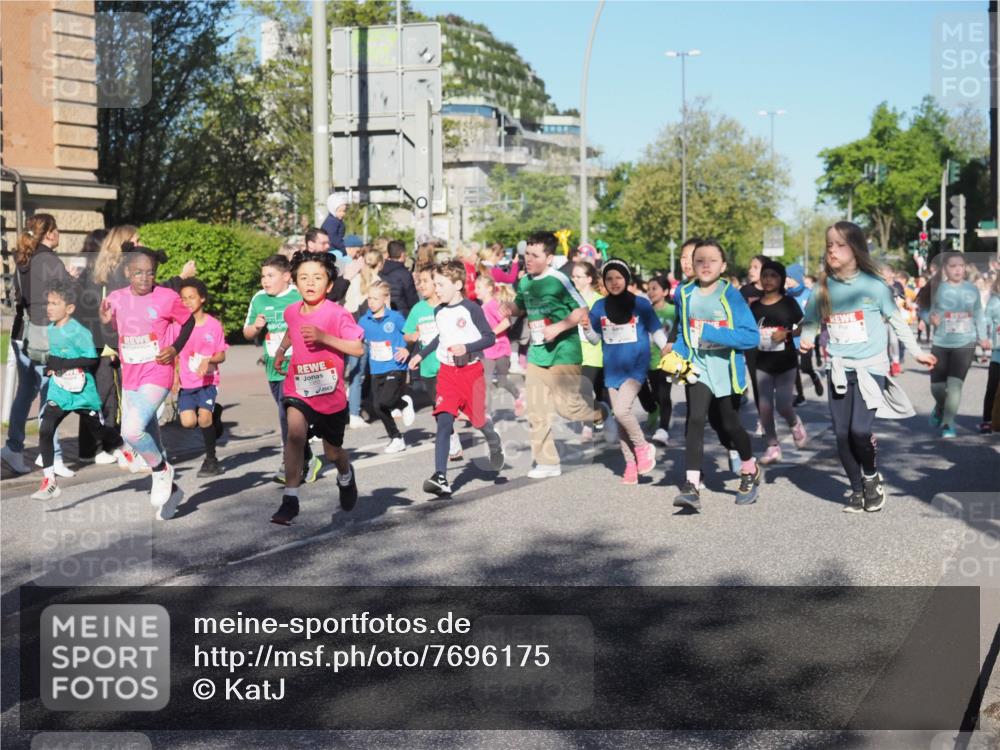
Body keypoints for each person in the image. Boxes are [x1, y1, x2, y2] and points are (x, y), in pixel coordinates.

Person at [800, 222, 936, 513]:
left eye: (840, 245)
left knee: (859, 431)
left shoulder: (874, 286)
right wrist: (807, 339)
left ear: (856, 249)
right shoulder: (823, 287)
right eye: (829, 245)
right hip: (838, 369)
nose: (833, 250)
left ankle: (871, 476)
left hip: (870, 368)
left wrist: (917, 352)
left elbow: (897, 322)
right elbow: (811, 319)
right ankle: (857, 488)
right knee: (840, 434)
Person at [501, 232, 609, 479]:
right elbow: (521, 306)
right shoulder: (526, 281)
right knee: (536, 411)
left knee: (568, 409)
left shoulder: (559, 280)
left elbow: (581, 309)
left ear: (549, 258)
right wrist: (510, 309)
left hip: (564, 352)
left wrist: (557, 328)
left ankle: (600, 412)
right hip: (539, 354)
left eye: (535, 255)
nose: (528, 259)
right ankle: (548, 463)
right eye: (526, 254)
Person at [270, 252, 365, 525]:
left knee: (333, 453)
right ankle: (290, 499)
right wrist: (281, 350)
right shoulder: (291, 310)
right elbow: (292, 329)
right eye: (304, 277)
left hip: (330, 396)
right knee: (295, 436)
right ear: (295, 283)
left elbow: (357, 348)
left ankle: (346, 476)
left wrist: (324, 337)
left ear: (329, 284)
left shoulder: (338, 314)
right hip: (298, 388)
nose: (310, 283)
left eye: (317, 277)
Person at [100, 248, 194, 520]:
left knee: (130, 431)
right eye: (138, 272)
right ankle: (173, 491)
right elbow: (109, 339)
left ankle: (161, 470)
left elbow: (187, 323)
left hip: (158, 371)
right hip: (131, 376)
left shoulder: (167, 297)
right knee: (150, 435)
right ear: (128, 273)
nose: (144, 278)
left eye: (150, 273)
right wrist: (106, 325)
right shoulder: (116, 299)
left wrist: (175, 349)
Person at [671, 239, 763, 511]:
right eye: (700, 260)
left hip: (726, 370)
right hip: (697, 369)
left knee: (730, 425)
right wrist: (675, 356)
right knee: (696, 420)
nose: (705, 265)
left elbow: (750, 336)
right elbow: (683, 333)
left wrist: (711, 333)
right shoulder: (684, 293)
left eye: (712, 260)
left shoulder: (730, 295)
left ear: (723, 266)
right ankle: (690, 485)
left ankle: (749, 468)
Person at [408, 260, 505, 496]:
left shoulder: (471, 309)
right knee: (444, 421)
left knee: (479, 421)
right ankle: (440, 476)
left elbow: (489, 338)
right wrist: (420, 354)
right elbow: (440, 338)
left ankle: (493, 440)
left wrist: (468, 347)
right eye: (435, 284)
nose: (436, 289)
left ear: (458, 285)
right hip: (447, 373)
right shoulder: (437, 311)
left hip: (471, 373)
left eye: (441, 284)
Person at [32, 281, 126, 500]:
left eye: (55, 304)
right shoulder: (50, 329)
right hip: (60, 390)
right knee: (46, 427)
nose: (49, 307)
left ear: (70, 308)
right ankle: (50, 481)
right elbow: (55, 356)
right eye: (48, 303)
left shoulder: (78, 331)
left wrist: (62, 364)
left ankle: (122, 445)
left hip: (83, 391)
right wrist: (50, 367)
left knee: (99, 431)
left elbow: (91, 358)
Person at [581, 259, 668, 485]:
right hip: (612, 369)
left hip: (636, 367)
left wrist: (668, 351)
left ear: (627, 279)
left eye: (618, 277)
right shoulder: (599, 307)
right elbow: (594, 340)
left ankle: (642, 446)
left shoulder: (640, 304)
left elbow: (656, 331)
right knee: (620, 423)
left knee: (620, 411)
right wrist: (587, 328)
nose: (614, 282)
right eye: (609, 278)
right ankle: (630, 464)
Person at [3, 214, 77, 477]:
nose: (58, 235)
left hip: (21, 334)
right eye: (56, 230)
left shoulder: (23, 260)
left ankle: (13, 447)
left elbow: (22, 297)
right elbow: (66, 300)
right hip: (45, 336)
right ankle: (52, 456)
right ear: (49, 234)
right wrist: (73, 280)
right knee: (51, 394)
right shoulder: (51, 261)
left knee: (26, 393)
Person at [243, 255, 322, 484]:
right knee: (289, 417)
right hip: (273, 367)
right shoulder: (259, 299)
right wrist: (255, 328)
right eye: (263, 276)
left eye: (270, 276)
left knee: (287, 415)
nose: (265, 281)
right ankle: (307, 458)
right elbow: (246, 332)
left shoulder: (298, 295)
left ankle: (290, 464)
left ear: (287, 277)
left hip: (299, 366)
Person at [918, 252, 989, 438]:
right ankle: (941, 407)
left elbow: (979, 314)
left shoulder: (972, 290)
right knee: (937, 388)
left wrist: (983, 337)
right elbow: (927, 312)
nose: (958, 269)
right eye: (953, 266)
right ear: (945, 269)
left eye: (961, 266)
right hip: (941, 342)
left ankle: (948, 424)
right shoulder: (937, 288)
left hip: (966, 342)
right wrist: (929, 319)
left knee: (955, 385)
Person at [750, 261, 808, 464]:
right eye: (765, 275)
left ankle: (794, 423)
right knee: (764, 407)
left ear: (782, 279)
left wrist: (787, 333)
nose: (768, 280)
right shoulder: (755, 306)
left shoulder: (789, 303)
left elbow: (803, 326)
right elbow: (748, 331)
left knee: (783, 404)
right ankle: (773, 446)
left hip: (786, 362)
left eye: (773, 276)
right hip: (762, 362)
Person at [176, 279, 228, 477]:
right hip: (187, 383)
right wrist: (173, 377)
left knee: (203, 418)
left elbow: (222, 355)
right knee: (188, 422)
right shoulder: (178, 326)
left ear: (202, 298)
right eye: (183, 299)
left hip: (208, 382)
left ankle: (211, 460)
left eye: (192, 297)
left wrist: (209, 360)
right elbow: (174, 352)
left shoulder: (213, 325)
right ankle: (215, 416)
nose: (187, 302)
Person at [358, 281, 415, 453]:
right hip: (376, 369)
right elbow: (355, 338)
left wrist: (407, 349)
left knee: (386, 401)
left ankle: (404, 404)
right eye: (369, 298)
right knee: (378, 407)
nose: (371, 302)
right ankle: (396, 438)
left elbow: (409, 336)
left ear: (386, 298)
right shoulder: (364, 320)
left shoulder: (395, 317)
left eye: (376, 298)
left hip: (395, 365)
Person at [570, 261, 605, 440]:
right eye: (573, 276)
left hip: (595, 351)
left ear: (589, 279)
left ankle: (593, 421)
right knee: (581, 389)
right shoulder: (570, 299)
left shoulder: (598, 300)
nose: (574, 279)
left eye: (578, 276)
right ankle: (593, 420)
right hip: (575, 351)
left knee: (591, 390)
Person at [475, 274, 520, 411]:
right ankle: (486, 413)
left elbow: (506, 322)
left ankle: (518, 395)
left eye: (478, 287)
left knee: (502, 382)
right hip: (487, 351)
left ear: (489, 288)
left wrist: (492, 334)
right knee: (486, 382)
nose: (475, 290)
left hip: (500, 348)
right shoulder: (481, 308)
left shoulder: (493, 305)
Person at [645, 274, 675, 446]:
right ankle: (661, 414)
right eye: (648, 289)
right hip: (649, 359)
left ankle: (663, 429)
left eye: (654, 288)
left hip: (667, 360)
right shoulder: (645, 311)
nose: (650, 292)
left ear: (665, 291)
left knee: (664, 395)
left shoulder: (672, 311)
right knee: (655, 394)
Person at [981, 273, 1000, 433]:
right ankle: (987, 419)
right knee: (992, 387)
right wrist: (984, 338)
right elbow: (985, 321)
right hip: (997, 353)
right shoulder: (994, 302)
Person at [380, 240, 419, 317]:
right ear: (402, 254)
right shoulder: (405, 274)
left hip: (384, 313)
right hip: (402, 316)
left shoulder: (380, 271)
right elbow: (412, 299)